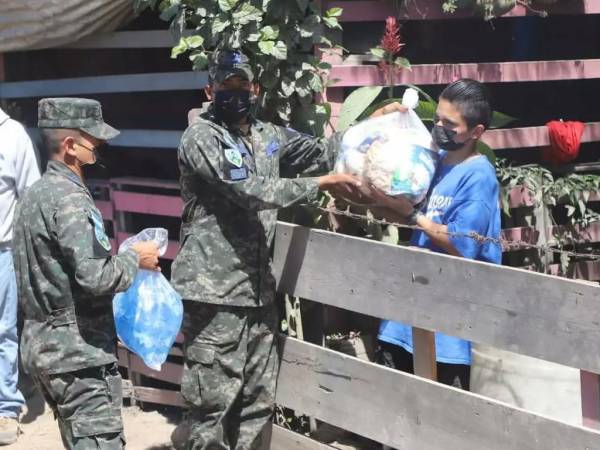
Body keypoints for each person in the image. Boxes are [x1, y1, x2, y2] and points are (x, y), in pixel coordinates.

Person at [171, 48, 403, 450]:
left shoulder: (268, 136)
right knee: (212, 403)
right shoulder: (202, 137)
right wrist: (321, 184)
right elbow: (250, 191)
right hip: (215, 295)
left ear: (255, 89)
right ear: (211, 90)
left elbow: (321, 152)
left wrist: (368, 125)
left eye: (242, 85)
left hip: (259, 291)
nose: (235, 93)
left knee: (256, 399)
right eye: (226, 86)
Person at [12, 98, 161, 450]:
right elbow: (94, 276)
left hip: (45, 350)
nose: (100, 148)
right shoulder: (70, 200)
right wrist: (133, 259)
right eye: (94, 141)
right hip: (78, 358)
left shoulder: (34, 195)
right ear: (70, 146)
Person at [372, 79, 502, 391]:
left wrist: (413, 215)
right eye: (437, 120)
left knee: (444, 423)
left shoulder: (479, 177)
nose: (440, 128)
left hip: (449, 330)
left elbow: (463, 243)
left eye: (450, 124)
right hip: (405, 318)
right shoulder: (432, 162)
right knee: (391, 411)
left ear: (476, 132)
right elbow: (403, 211)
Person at [0, 106, 40, 444]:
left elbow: (30, 196)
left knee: (2, 331)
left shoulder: (11, 135)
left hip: (1, 251)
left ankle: (5, 410)